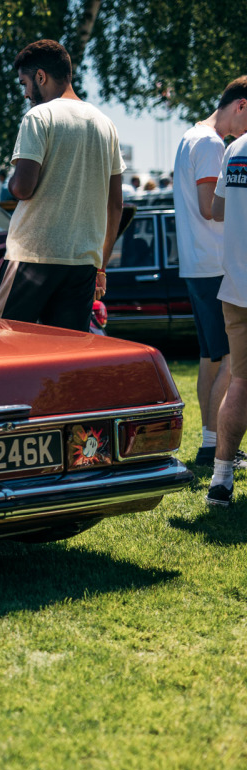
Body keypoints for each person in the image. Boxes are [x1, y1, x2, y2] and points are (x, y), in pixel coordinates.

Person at [0, 40, 124, 332]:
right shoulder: (105, 124)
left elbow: (24, 188)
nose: (25, 93)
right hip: (83, 262)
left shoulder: (39, 116)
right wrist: (101, 266)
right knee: (64, 358)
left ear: (40, 77)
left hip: (33, 255)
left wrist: (9, 182)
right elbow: (115, 204)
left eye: (24, 82)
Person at [173, 77, 247, 469]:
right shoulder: (212, 144)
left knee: (211, 358)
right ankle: (222, 448)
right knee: (234, 362)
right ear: (240, 105)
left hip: (198, 263)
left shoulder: (191, 136)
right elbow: (210, 207)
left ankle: (208, 443)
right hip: (217, 263)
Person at [207, 117, 247, 506]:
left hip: (236, 287)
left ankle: (221, 479)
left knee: (241, 382)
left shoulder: (235, 149)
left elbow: (217, 210)